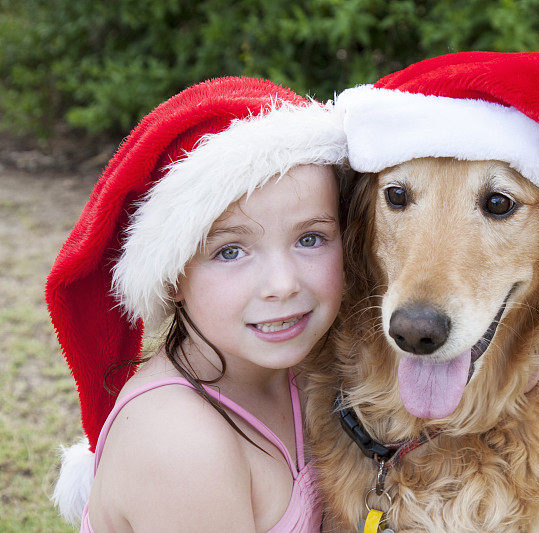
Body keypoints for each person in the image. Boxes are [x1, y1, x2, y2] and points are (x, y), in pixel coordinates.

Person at [46, 77, 348, 532]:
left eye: (311, 238)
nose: (282, 285)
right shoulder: (180, 444)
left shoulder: (304, 371)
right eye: (230, 251)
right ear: (171, 279)